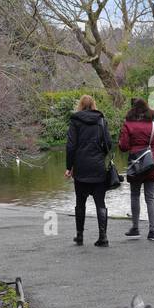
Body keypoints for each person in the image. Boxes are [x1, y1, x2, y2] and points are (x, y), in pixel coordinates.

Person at [65, 94, 113, 247]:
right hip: (98, 167)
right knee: (100, 203)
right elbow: (109, 144)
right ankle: (103, 237)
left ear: (80, 105)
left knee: (80, 203)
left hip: (81, 168)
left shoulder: (75, 121)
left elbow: (71, 146)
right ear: (93, 105)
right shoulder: (101, 120)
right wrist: (101, 155)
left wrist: (69, 167)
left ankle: (79, 236)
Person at [118, 98, 154, 241]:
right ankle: (153, 232)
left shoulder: (128, 124)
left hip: (137, 164)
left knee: (135, 195)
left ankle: (135, 228)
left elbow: (124, 147)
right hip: (153, 162)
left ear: (133, 109)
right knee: (150, 197)